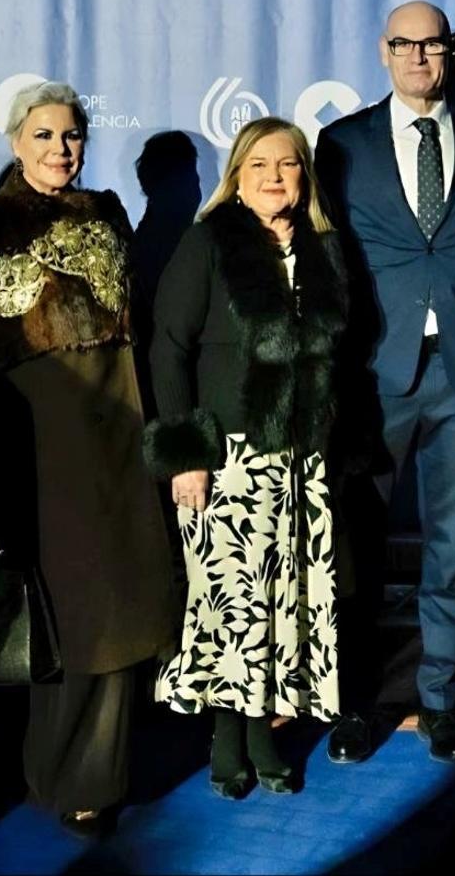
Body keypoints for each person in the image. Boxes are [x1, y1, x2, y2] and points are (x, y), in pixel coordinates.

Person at [0, 81, 176, 833]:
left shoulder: (107, 212)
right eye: (43, 136)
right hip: (43, 431)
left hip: (121, 420)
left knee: (122, 605)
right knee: (72, 611)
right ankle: (54, 769)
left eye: (71, 135)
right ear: (16, 142)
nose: (60, 149)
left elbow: (133, 320)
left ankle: (92, 777)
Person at [315, 0, 455, 765]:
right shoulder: (339, 145)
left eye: (432, 45)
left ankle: (440, 703)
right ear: (383, 52)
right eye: (404, 44)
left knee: (449, 551)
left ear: (451, 55)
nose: (418, 58)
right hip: (376, 374)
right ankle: (358, 706)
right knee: (359, 552)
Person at [143, 117, 348, 797]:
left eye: (286, 165)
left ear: (303, 175)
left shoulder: (322, 248)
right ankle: (229, 737)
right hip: (224, 454)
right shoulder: (209, 243)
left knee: (284, 602)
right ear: (237, 174)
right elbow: (168, 348)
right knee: (230, 604)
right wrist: (185, 455)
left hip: (297, 458)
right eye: (258, 164)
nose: (272, 177)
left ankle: (265, 729)